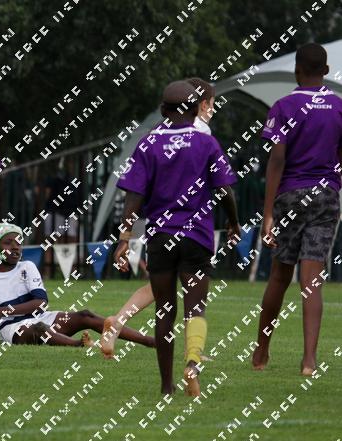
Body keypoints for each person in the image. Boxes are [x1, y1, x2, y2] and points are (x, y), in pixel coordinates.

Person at [113, 81, 241, 397]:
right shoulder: (206, 142)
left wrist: (125, 237)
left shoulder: (148, 144)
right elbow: (224, 189)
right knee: (195, 309)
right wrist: (233, 222)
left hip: (161, 237)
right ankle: (193, 362)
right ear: (197, 108)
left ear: (162, 110)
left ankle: (166, 385)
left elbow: (133, 196)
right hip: (196, 236)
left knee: (164, 312)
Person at [101, 77, 217, 358]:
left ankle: (117, 322)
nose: (213, 110)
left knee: (158, 285)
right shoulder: (200, 131)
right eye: (213, 104)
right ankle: (193, 353)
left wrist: (125, 235)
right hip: (188, 224)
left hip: (158, 221)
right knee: (192, 290)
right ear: (202, 104)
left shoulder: (161, 130)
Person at [252, 43, 342, 376]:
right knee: (312, 280)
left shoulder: (283, 106)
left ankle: (262, 351)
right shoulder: (339, 106)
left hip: (290, 195)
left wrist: (268, 214)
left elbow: (277, 159)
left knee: (279, 275)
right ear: (326, 70)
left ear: (297, 71)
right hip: (326, 195)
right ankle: (308, 361)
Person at [0, 223, 155, 349]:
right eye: (8, 242)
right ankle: (78, 345)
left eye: (18, 242)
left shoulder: (27, 266)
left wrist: (0, 310)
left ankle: (150, 341)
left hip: (42, 317)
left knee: (85, 315)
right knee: (39, 329)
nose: (15, 246)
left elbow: (41, 303)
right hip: (12, 329)